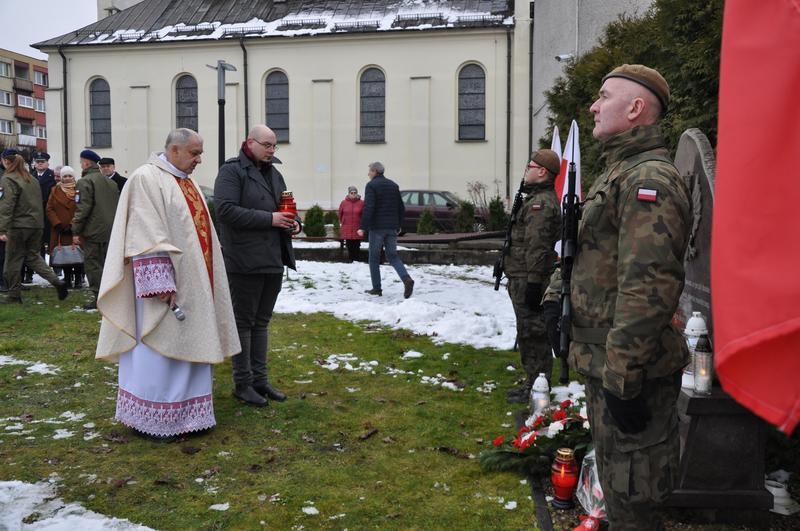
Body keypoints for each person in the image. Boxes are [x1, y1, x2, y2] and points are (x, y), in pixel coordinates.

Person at [543, 64, 691, 530]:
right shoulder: (620, 171)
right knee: (618, 487)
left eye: (604, 96)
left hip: (630, 370)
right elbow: (585, 250)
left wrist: (623, 376)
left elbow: (648, 285)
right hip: (606, 361)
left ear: (635, 108)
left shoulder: (650, 179)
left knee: (635, 501)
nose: (592, 105)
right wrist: (554, 299)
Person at [95, 128, 240, 441]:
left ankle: (188, 416)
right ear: (175, 150)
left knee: (191, 342)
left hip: (194, 284)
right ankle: (157, 418)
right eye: (195, 153)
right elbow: (143, 233)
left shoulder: (186, 182)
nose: (199, 160)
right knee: (160, 348)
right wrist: (158, 281)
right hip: (160, 289)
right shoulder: (146, 179)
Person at [214, 124, 299, 407]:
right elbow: (225, 210)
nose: (271, 150)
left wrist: (292, 222)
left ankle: (261, 381)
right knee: (244, 323)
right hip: (244, 259)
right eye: (267, 145)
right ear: (248, 143)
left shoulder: (274, 173)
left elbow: (285, 207)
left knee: (262, 322)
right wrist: (270, 219)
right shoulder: (232, 171)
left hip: (272, 258)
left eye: (274, 146)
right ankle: (243, 383)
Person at [503, 149, 562, 404]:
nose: (525, 170)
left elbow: (537, 246)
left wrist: (534, 282)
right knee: (526, 331)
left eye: (530, 166)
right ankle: (533, 380)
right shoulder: (533, 198)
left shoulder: (541, 204)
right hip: (521, 274)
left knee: (533, 333)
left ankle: (539, 383)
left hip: (529, 278)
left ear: (542, 172)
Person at [0, 149, 68, 304]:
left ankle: (13, 295)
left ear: (6, 162)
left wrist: (2, 228)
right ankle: (57, 282)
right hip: (36, 225)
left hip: (18, 226)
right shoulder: (32, 179)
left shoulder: (8, 179)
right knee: (33, 257)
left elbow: (6, 206)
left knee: (12, 261)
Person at [356, 162, 414, 298]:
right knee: (393, 256)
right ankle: (406, 279)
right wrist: (399, 224)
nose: (368, 173)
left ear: (375, 171)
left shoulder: (371, 185)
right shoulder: (393, 185)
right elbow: (401, 207)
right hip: (392, 227)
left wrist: (363, 227)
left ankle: (377, 288)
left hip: (377, 228)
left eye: (369, 171)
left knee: (374, 258)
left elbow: (369, 207)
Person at [71, 149, 120, 310]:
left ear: (85, 163)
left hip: (94, 230)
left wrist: (76, 230)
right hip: (110, 229)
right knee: (108, 264)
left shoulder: (85, 182)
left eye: (81, 162)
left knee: (93, 265)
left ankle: (100, 297)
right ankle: (112, 296)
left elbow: (82, 208)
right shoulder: (110, 182)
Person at [46, 165, 84, 289]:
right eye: (65, 176)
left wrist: (74, 225)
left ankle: (78, 278)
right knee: (64, 255)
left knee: (78, 253)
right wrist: (57, 224)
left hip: (76, 228)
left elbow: (83, 208)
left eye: (70, 176)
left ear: (74, 177)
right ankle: (67, 278)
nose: (67, 178)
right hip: (60, 229)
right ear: (61, 178)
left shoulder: (80, 189)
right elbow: (49, 209)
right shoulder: (55, 190)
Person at [23, 151, 56, 284]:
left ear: (47, 163)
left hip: (47, 215)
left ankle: (56, 269)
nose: (40, 164)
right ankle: (30, 273)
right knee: (33, 247)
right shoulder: (30, 176)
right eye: (37, 162)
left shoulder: (52, 177)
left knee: (51, 243)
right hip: (33, 215)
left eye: (42, 162)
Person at [338, 185, 364, 262]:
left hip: (357, 227)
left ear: (357, 193)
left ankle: (356, 259)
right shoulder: (343, 203)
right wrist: (343, 222)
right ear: (348, 194)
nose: (353, 194)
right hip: (347, 227)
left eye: (355, 193)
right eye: (351, 193)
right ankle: (350, 259)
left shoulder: (361, 203)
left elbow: (363, 215)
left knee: (356, 244)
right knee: (349, 244)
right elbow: (340, 214)